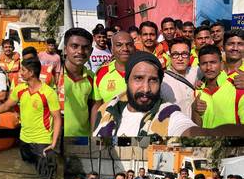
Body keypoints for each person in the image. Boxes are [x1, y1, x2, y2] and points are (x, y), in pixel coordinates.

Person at [93, 51, 244, 137]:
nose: (145, 89)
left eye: (153, 80)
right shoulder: (107, 109)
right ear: (127, 80)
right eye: (138, 78)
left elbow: (195, 131)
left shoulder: (168, 115)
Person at [0, 58, 61, 164]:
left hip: (42, 142)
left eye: (23, 70)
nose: (20, 73)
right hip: (24, 140)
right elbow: (5, 106)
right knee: (25, 170)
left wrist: (53, 144)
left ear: (31, 73)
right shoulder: (20, 89)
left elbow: (57, 118)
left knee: (46, 177)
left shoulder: (49, 93)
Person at [90, 31, 136, 129]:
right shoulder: (101, 73)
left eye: (129, 45)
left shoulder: (145, 70)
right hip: (109, 128)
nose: (125, 49)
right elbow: (96, 105)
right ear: (112, 49)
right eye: (119, 45)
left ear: (134, 48)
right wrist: (94, 131)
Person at [193, 45, 244, 128]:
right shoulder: (198, 92)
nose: (208, 67)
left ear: (221, 64)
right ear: (199, 66)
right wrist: (195, 110)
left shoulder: (237, 88)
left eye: (213, 62)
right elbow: (197, 129)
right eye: (204, 63)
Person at [58, 28, 94, 136]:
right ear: (65, 49)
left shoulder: (92, 78)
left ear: (91, 51)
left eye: (85, 47)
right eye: (74, 46)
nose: (80, 51)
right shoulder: (52, 75)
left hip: (82, 140)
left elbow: (94, 109)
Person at [160, 37, 199, 118]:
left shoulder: (197, 71)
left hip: (197, 126)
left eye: (184, 54)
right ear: (170, 56)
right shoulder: (162, 80)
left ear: (190, 55)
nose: (180, 58)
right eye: (175, 54)